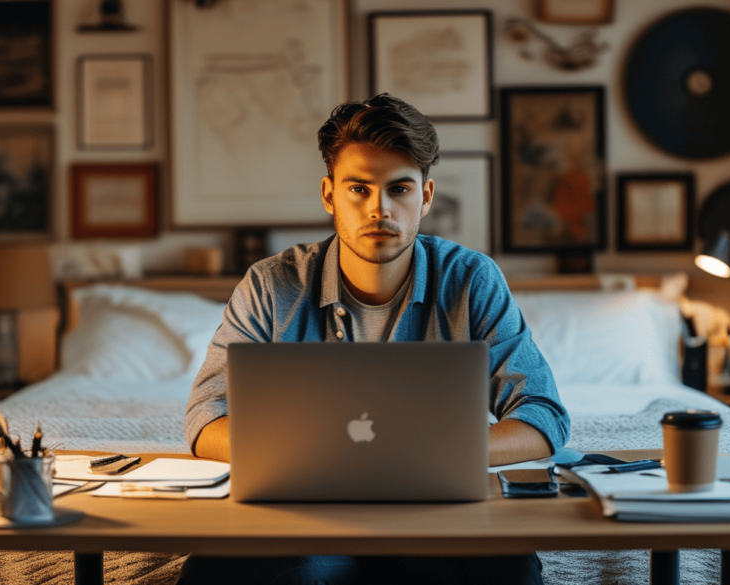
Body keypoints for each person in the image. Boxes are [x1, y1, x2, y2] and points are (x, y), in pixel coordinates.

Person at [180, 94, 570, 585]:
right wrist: (318, 460)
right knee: (215, 572)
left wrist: (426, 459)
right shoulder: (270, 285)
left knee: (508, 571)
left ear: (426, 197)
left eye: (399, 188)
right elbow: (204, 419)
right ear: (329, 195)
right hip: (303, 521)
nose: (379, 209)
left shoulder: (472, 280)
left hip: (440, 520)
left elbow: (543, 416)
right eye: (359, 189)